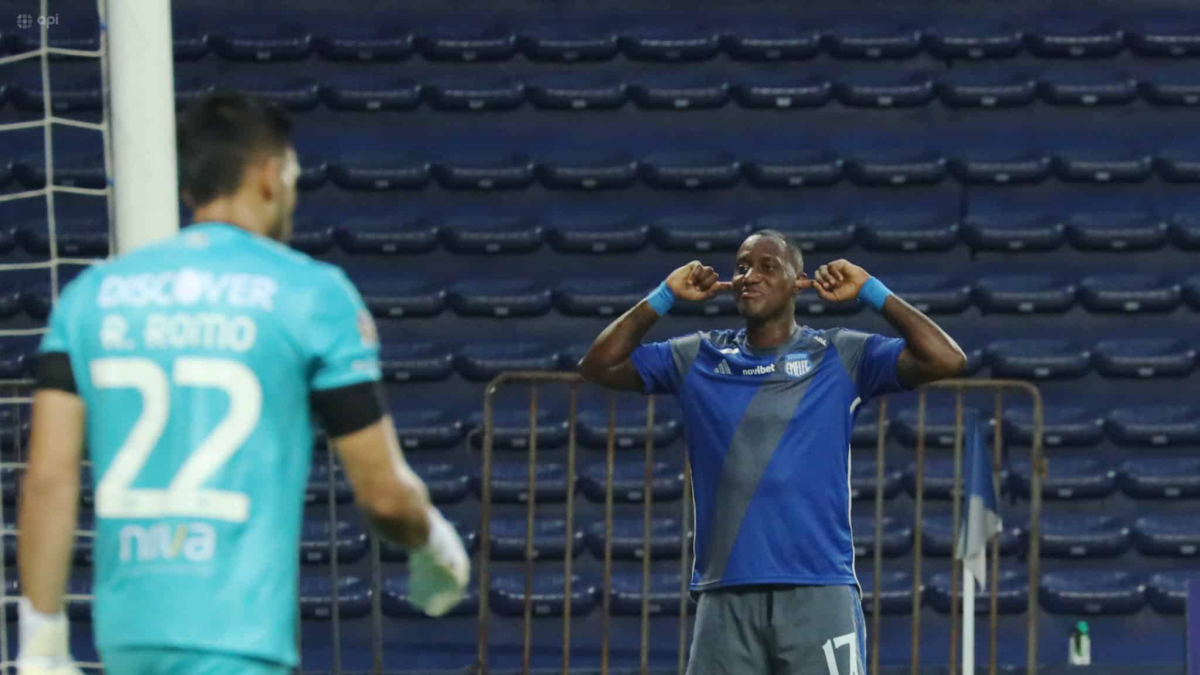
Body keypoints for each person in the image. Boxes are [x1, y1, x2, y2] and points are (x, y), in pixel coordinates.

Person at [16, 91, 470, 675]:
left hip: (129, 640)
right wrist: (433, 540)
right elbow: (382, 494)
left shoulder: (91, 297)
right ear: (269, 175)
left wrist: (42, 637)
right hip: (239, 644)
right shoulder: (311, 295)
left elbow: (49, 480)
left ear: (190, 188)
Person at [578, 229, 966, 675]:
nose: (749, 276)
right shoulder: (698, 356)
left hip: (818, 591)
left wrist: (871, 291)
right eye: (741, 267)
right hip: (725, 595)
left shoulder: (841, 353)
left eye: (767, 267)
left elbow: (947, 359)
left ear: (797, 281)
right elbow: (597, 365)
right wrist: (665, 295)